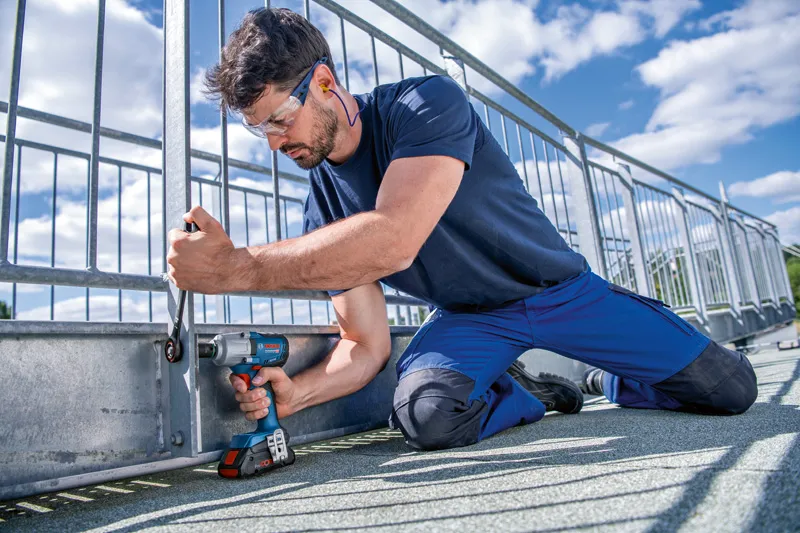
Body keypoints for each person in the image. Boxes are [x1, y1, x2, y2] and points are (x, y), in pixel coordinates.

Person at [166, 8, 758, 451]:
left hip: (561, 293)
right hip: (470, 320)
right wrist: (300, 394)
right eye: (258, 130)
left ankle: (615, 379)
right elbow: (364, 345)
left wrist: (239, 268)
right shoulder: (322, 204)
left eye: (279, 119)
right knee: (426, 416)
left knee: (730, 390)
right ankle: (526, 392)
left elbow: (396, 236)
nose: (273, 142)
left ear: (323, 83)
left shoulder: (426, 104)